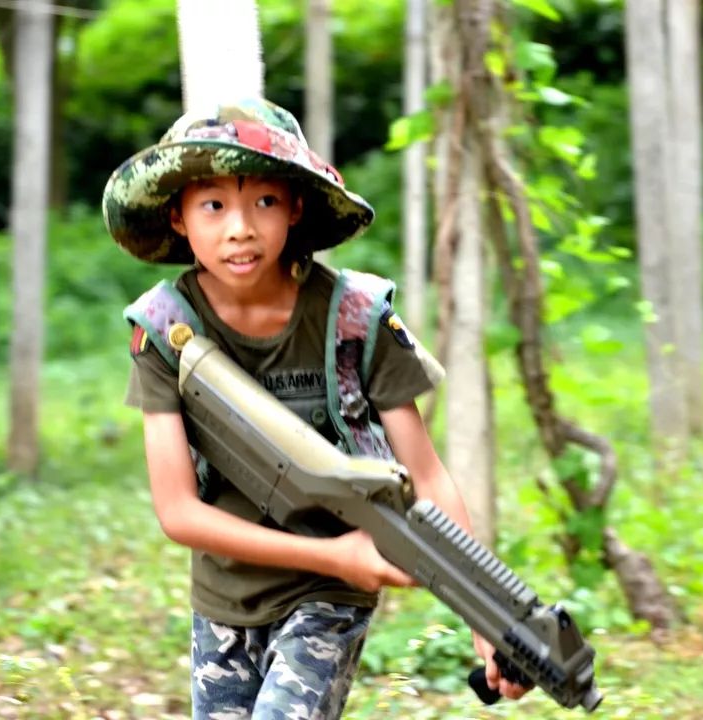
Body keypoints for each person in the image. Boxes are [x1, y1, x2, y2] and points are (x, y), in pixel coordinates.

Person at [103, 97, 530, 719]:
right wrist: (337, 554)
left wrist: (486, 618)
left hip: (329, 598)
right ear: (177, 216)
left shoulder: (355, 319)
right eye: (213, 205)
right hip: (224, 598)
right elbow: (177, 512)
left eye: (265, 202)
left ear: (296, 207)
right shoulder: (166, 329)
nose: (240, 228)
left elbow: (427, 475)